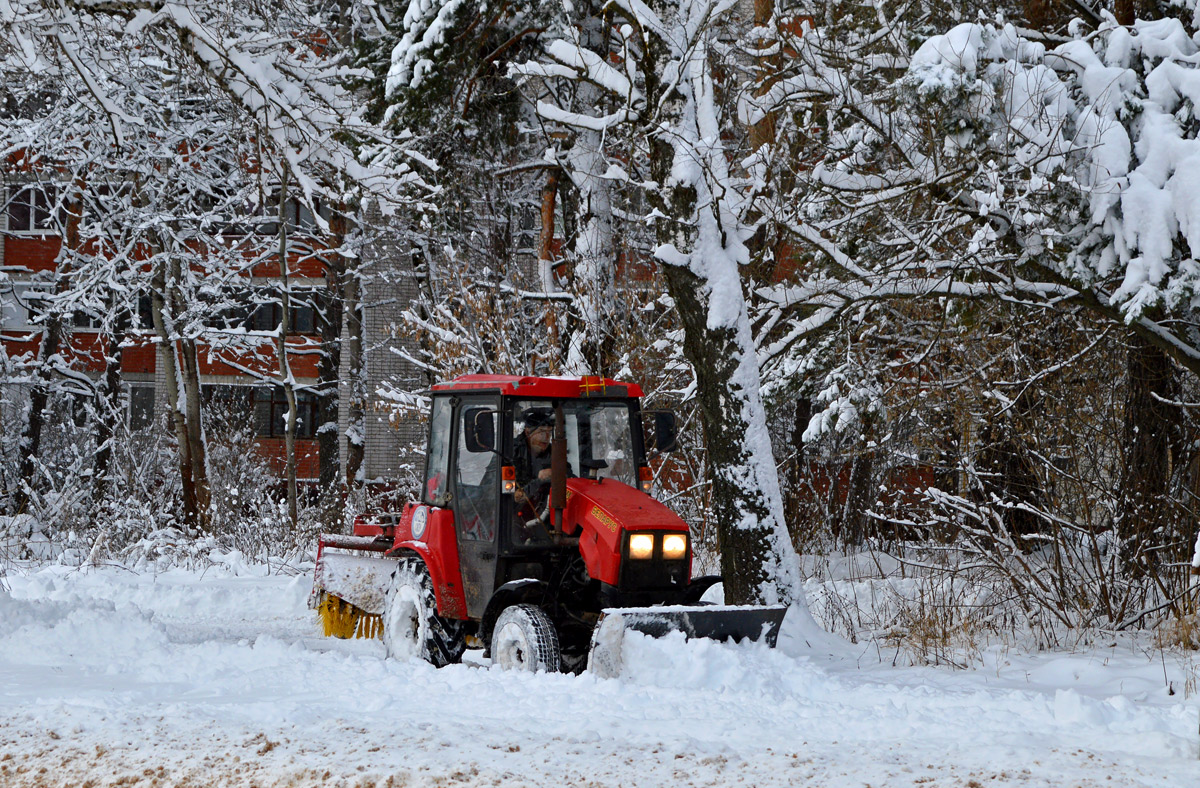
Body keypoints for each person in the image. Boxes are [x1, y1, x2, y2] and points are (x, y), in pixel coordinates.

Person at [512, 407, 555, 519]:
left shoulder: (552, 453)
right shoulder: (512, 451)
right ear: (527, 432)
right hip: (513, 516)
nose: (546, 438)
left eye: (549, 432)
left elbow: (568, 477)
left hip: (544, 513)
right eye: (541, 432)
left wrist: (559, 474)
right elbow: (512, 496)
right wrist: (539, 481)